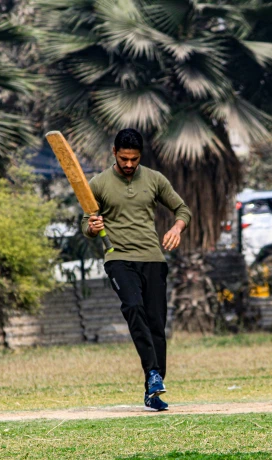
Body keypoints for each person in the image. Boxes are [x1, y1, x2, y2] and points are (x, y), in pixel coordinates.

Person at [81, 128, 191, 411]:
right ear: (114, 153)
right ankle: (153, 373)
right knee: (133, 307)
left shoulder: (154, 179)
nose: (129, 164)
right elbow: (86, 224)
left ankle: (153, 389)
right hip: (118, 258)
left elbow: (183, 210)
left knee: (156, 324)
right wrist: (92, 228)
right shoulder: (99, 183)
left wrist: (177, 228)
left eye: (135, 159)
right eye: (124, 158)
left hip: (153, 259)